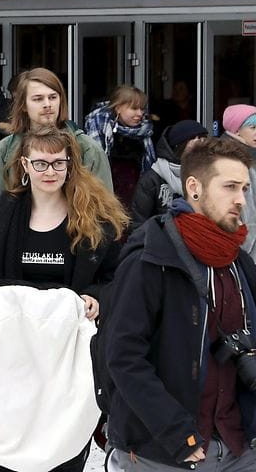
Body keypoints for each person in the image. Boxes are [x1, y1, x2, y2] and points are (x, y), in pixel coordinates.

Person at [0, 127, 128, 472]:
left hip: (68, 358)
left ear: (70, 165)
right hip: (10, 357)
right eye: (41, 163)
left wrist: (97, 297)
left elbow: (117, 276)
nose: (50, 172)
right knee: (1, 448)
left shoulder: (96, 220)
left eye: (58, 164)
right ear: (24, 165)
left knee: (62, 447)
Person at [104, 136, 256, 472]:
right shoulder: (151, 258)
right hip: (164, 452)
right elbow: (123, 356)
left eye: (244, 188)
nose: (240, 200)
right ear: (194, 187)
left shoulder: (238, 261)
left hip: (238, 446)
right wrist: (177, 436)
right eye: (230, 187)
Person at [0, 68, 112, 208]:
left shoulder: (88, 149)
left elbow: (105, 212)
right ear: (24, 105)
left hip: (76, 227)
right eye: (38, 99)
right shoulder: (5, 150)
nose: (47, 104)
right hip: (17, 228)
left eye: (53, 97)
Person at [84, 85, 156, 206]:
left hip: (137, 201)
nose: (140, 113)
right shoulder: (100, 128)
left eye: (142, 109)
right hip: (107, 198)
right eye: (134, 108)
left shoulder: (145, 131)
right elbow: (93, 166)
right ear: (118, 108)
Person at [129, 119, 207, 229]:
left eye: (202, 137)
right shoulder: (153, 179)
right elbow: (138, 223)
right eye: (193, 138)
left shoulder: (208, 175)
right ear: (179, 144)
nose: (199, 141)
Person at [221, 104, 256, 258]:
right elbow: (246, 211)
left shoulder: (249, 156)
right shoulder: (235, 160)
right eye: (253, 127)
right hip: (245, 248)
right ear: (236, 130)